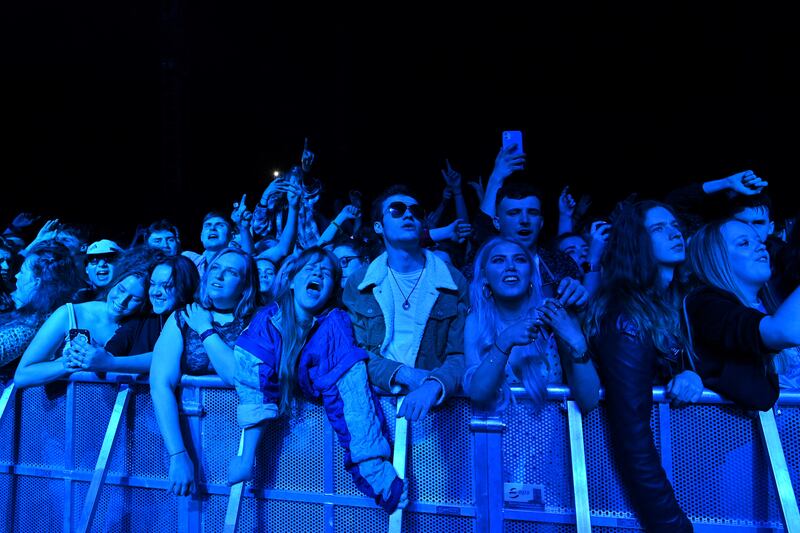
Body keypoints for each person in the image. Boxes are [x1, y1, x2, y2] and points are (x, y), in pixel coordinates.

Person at [230, 247, 406, 513]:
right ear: (291, 280)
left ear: (331, 290)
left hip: (320, 443)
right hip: (276, 440)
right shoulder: (267, 321)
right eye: (309, 268)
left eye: (326, 273)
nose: (317, 273)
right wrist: (245, 459)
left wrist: (376, 473)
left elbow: (352, 394)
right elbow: (255, 387)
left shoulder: (335, 325)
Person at [586, 200, 701, 532]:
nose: (674, 233)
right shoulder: (627, 316)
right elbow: (631, 429)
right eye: (658, 229)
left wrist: (688, 372)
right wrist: (669, 523)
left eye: (674, 226)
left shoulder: (669, 302)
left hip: (674, 469)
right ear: (636, 241)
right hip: (633, 491)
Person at [343, 185, 469, 421]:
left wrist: (434, 384)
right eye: (397, 210)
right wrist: (403, 374)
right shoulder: (360, 283)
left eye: (416, 211)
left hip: (435, 411)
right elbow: (356, 353)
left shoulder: (452, 280)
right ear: (379, 226)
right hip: (375, 407)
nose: (408, 214)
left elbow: (460, 353)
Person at [150, 247, 258, 496]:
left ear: (246, 285)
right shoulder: (182, 317)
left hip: (241, 441)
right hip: (189, 438)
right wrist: (177, 455)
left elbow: (235, 377)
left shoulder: (258, 320)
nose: (218, 276)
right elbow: (160, 384)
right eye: (215, 268)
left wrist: (205, 330)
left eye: (230, 272)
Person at [463, 237, 599, 412]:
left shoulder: (551, 315)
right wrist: (505, 341)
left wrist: (578, 342)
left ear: (531, 274)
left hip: (550, 434)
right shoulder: (477, 321)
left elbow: (589, 402)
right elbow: (478, 394)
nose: (510, 267)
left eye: (520, 259)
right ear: (484, 277)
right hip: (495, 435)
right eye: (499, 260)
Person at [685, 219, 800, 409]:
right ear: (716, 257)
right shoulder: (706, 306)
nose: (760, 248)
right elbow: (782, 332)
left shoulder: (775, 303)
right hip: (747, 435)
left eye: (759, 241)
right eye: (744, 243)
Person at [14, 259, 150, 387]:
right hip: (60, 408)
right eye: (121, 289)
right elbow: (22, 375)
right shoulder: (69, 314)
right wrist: (72, 363)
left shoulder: (139, 327)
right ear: (115, 282)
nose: (122, 300)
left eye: (135, 299)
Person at [0, 241, 83, 368]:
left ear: (36, 282)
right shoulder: (39, 315)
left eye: (22, 272)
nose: (16, 276)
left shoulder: (30, 326)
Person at [104, 254, 200, 359]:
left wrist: (110, 363)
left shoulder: (196, 320)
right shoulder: (142, 319)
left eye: (166, 286)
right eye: (152, 284)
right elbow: (111, 350)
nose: (155, 292)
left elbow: (166, 359)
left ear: (185, 287)